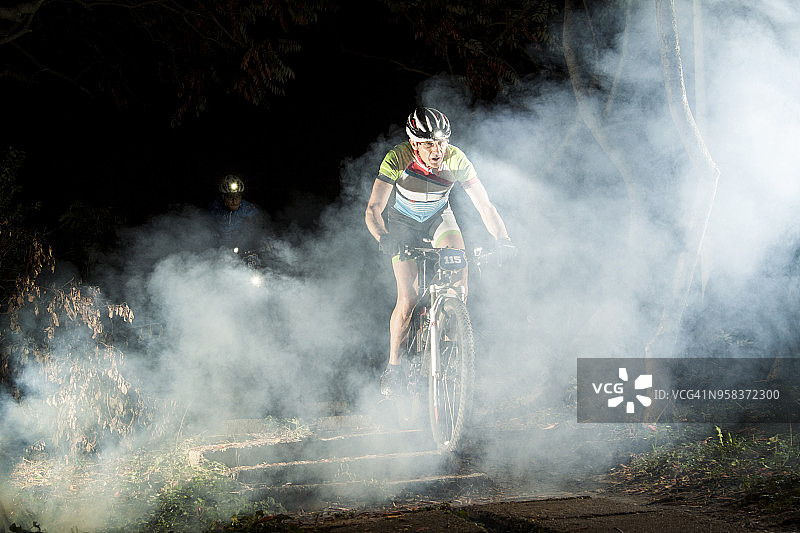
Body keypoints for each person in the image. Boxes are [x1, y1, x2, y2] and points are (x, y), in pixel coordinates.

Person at [365, 107, 515, 397]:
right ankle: (393, 367)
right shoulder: (397, 158)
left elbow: (485, 205)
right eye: (428, 144)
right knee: (409, 297)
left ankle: (449, 348)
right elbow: (374, 208)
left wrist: (503, 239)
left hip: (438, 218)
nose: (437, 151)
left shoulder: (456, 159)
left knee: (459, 282)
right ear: (414, 144)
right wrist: (384, 237)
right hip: (403, 222)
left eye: (442, 143)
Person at [207, 173, 267, 253]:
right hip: (218, 249)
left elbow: (259, 223)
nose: (234, 201)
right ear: (223, 197)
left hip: (240, 247)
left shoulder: (246, 208)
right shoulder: (214, 208)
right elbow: (206, 229)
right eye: (230, 197)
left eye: (238, 196)